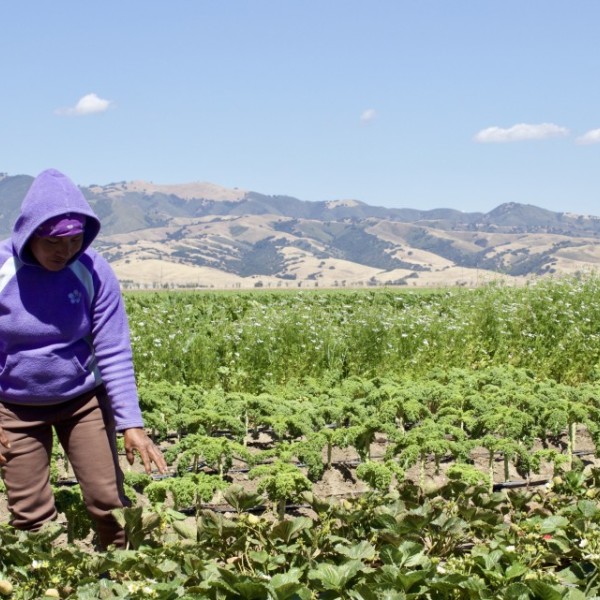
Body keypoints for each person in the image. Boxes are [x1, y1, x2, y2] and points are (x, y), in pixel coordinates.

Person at [0, 168, 167, 549]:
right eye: (55, 242)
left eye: (76, 241)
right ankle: (43, 579)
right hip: (14, 408)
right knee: (30, 514)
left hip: (83, 402)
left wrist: (132, 424)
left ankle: (125, 575)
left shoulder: (93, 270)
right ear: (30, 234)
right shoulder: (4, 269)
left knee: (109, 503)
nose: (66, 251)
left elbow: (113, 350)